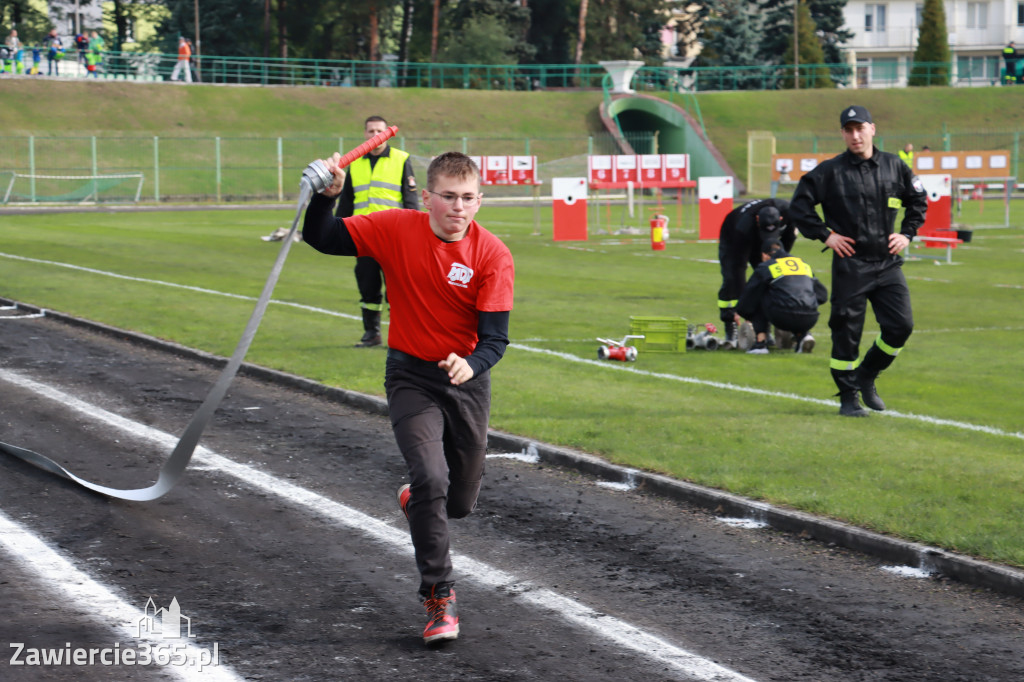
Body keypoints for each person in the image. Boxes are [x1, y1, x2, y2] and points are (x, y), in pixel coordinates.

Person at [302, 151, 514, 644]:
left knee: (456, 503)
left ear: (479, 200)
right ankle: (440, 596)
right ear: (428, 197)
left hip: (466, 384)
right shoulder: (396, 227)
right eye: (448, 197)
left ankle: (417, 502)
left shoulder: (493, 254)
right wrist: (325, 198)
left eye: (467, 198)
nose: (457, 208)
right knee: (430, 477)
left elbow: (496, 340)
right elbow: (323, 237)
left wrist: (472, 363)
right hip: (410, 377)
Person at [789, 105, 927, 417]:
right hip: (851, 264)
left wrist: (907, 234)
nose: (855, 135)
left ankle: (867, 373)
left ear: (872, 129)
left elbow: (918, 200)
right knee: (846, 330)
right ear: (842, 133)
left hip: (887, 263)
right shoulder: (830, 171)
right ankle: (848, 395)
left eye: (860, 128)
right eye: (848, 130)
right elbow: (799, 206)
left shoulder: (895, 166)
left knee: (901, 326)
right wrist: (826, 235)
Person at [333, 115, 419, 347]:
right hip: (364, 238)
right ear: (364, 134)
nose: (375, 136)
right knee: (367, 286)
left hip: (395, 238)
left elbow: (411, 200)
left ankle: (401, 335)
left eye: (379, 131)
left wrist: (413, 234)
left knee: (397, 289)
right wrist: (338, 230)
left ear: (388, 133)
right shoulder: (356, 163)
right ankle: (371, 333)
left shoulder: (401, 159)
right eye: (370, 131)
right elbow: (346, 201)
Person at [716, 198, 796, 348]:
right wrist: (743, 309)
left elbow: (786, 245)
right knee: (732, 279)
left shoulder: (790, 213)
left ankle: (764, 327)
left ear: (780, 219)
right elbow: (738, 269)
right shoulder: (743, 226)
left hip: (762, 241)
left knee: (771, 277)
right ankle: (730, 325)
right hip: (733, 236)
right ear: (758, 220)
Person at [736, 238, 827, 355]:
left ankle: (760, 343)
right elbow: (823, 295)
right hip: (810, 318)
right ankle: (803, 336)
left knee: (760, 293)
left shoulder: (767, 266)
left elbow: (749, 296)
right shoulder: (803, 265)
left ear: (764, 255)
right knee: (799, 296)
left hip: (781, 316)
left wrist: (744, 313)